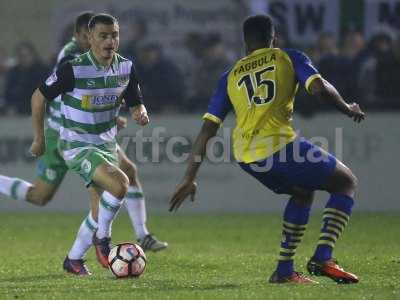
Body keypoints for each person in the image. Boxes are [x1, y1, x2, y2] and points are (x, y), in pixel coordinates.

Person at [169, 15, 365, 284]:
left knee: (302, 193)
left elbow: (207, 130)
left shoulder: (229, 76)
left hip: (247, 157)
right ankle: (323, 257)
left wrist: (189, 177)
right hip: (280, 147)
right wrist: (347, 108)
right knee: (346, 182)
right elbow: (319, 89)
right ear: (274, 38)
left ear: (244, 43)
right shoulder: (287, 56)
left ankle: (283, 271)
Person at [0, 13, 167, 276]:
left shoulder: (126, 66)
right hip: (76, 144)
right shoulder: (73, 67)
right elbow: (38, 97)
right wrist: (39, 138)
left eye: (114, 35)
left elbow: (135, 98)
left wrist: (139, 111)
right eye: (103, 36)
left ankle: (74, 258)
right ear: (89, 38)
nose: (110, 41)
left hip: (106, 142)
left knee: (97, 199)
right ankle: (103, 239)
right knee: (120, 183)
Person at [4, 42, 48, 115]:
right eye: (20, 56)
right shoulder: (13, 72)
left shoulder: (42, 71)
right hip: (15, 112)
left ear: (33, 55)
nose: (23, 59)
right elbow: (8, 92)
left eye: (26, 56)